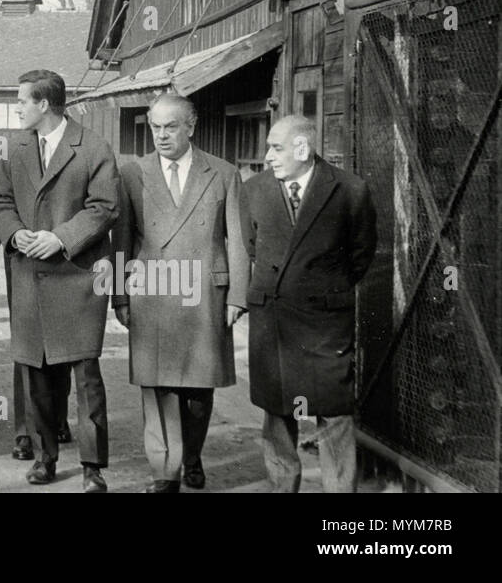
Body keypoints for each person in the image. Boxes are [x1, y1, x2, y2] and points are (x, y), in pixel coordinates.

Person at [113, 94, 249, 492]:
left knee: (197, 388)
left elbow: (237, 240)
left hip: (205, 294)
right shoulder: (132, 174)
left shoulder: (222, 173)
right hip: (152, 293)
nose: (161, 135)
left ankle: (191, 454)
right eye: (154, 127)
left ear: (190, 126)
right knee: (158, 387)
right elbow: (120, 240)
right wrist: (120, 297)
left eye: (170, 126)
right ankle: (164, 470)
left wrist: (237, 296)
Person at [0, 68, 119, 489]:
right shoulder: (14, 149)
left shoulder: (92, 147)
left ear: (44, 105)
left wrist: (60, 238)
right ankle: (45, 458)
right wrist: (15, 232)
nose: (17, 108)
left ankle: (92, 468)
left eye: (22, 101)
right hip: (30, 276)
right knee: (39, 378)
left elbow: (104, 208)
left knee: (86, 378)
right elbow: (1, 203)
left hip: (77, 277)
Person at [240, 114, 377, 493]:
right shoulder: (253, 190)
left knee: (333, 413)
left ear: (303, 148)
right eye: (268, 147)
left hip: (324, 322)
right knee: (278, 412)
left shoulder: (349, 190)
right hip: (275, 319)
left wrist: (324, 288)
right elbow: (253, 246)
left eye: (277, 148)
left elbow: (361, 255)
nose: (268, 156)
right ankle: (284, 486)